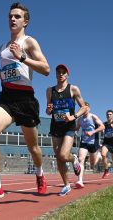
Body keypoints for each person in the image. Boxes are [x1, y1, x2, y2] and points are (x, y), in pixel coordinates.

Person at [0, 2, 50, 205]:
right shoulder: (2, 48)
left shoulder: (29, 42)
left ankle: (40, 173)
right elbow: (8, 70)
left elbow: (46, 69)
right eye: (10, 16)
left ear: (25, 21)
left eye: (17, 16)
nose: (13, 19)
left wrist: (23, 56)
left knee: (33, 147)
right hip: (7, 98)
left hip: (26, 100)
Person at [46, 64, 87, 196]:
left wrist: (73, 116)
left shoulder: (73, 89)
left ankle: (74, 158)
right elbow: (48, 111)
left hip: (69, 126)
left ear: (67, 75)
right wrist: (48, 110)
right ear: (56, 74)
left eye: (63, 72)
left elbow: (84, 107)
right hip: (55, 126)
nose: (61, 74)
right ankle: (66, 185)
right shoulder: (49, 90)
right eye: (58, 72)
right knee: (59, 158)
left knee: (64, 155)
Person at [74, 102, 105, 188]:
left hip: (93, 142)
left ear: (89, 108)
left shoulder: (93, 117)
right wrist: (75, 132)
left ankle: (98, 156)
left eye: (86, 108)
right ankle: (80, 180)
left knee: (92, 164)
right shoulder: (79, 120)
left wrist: (92, 132)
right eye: (83, 108)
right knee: (81, 159)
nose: (85, 109)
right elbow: (76, 128)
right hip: (84, 141)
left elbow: (102, 126)